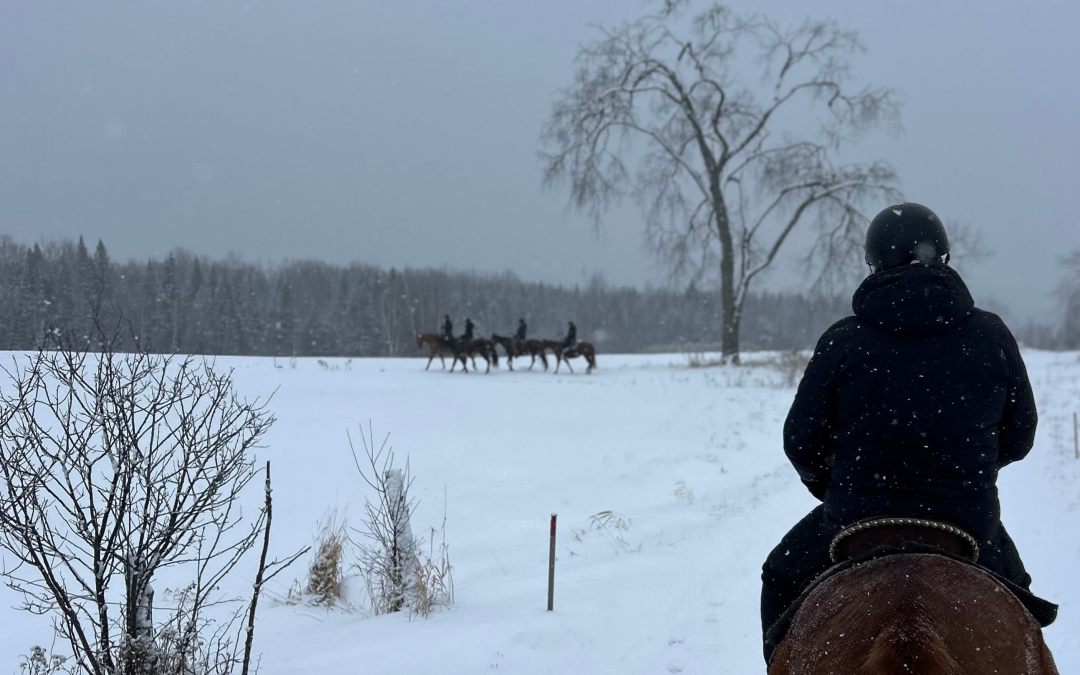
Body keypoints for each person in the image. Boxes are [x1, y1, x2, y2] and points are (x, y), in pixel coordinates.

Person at [760, 203, 1041, 663]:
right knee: (1020, 610)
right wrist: (966, 468)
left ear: (874, 264)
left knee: (781, 576)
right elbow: (1020, 436)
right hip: (968, 521)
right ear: (943, 258)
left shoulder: (844, 340)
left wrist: (832, 486)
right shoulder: (990, 336)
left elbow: (801, 442)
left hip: (855, 517)